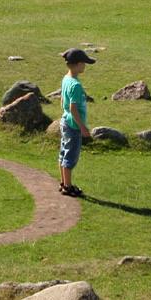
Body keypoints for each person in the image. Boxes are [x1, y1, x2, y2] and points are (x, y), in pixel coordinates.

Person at [58, 47, 96, 197]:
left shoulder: (66, 79)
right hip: (73, 126)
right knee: (70, 156)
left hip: (65, 121)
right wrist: (83, 127)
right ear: (78, 64)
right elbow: (73, 108)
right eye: (84, 63)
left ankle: (63, 182)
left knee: (63, 153)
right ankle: (68, 187)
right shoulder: (76, 86)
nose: (85, 66)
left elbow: (63, 100)